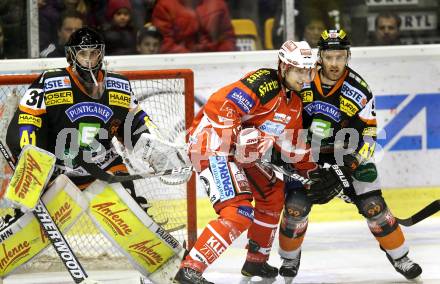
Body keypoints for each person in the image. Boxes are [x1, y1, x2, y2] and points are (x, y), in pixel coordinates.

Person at [174, 40, 346, 283]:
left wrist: (313, 172)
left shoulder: (294, 104)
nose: (304, 77)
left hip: (241, 152)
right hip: (212, 144)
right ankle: (190, 270)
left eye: (308, 71)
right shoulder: (264, 83)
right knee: (238, 211)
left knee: (273, 192)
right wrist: (235, 139)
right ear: (284, 68)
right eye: (299, 70)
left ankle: (256, 261)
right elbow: (221, 104)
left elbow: (291, 146)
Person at [276, 29, 422, 282]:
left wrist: (353, 162)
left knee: (373, 205)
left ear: (348, 57)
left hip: (348, 154)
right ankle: (290, 258)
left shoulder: (359, 89)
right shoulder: (303, 79)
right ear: (320, 56)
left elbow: (369, 132)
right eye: (329, 57)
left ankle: (400, 257)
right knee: (295, 208)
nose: (334, 64)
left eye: (340, 57)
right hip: (306, 155)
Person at [3, 27, 163, 227]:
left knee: (127, 191)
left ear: (101, 54)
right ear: (72, 56)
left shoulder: (119, 86)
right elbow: (27, 119)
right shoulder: (51, 81)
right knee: (31, 157)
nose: (89, 60)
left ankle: (140, 221)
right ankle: (19, 216)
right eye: (83, 54)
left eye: (94, 53)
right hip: (56, 167)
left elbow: (136, 127)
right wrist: (30, 155)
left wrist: (154, 150)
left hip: (100, 164)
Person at [151, 0, 236, 53]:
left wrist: (219, 58)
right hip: (180, 64)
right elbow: (164, 42)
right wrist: (190, 58)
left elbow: (227, 37)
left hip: (215, 61)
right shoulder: (165, 5)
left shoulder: (218, 3)